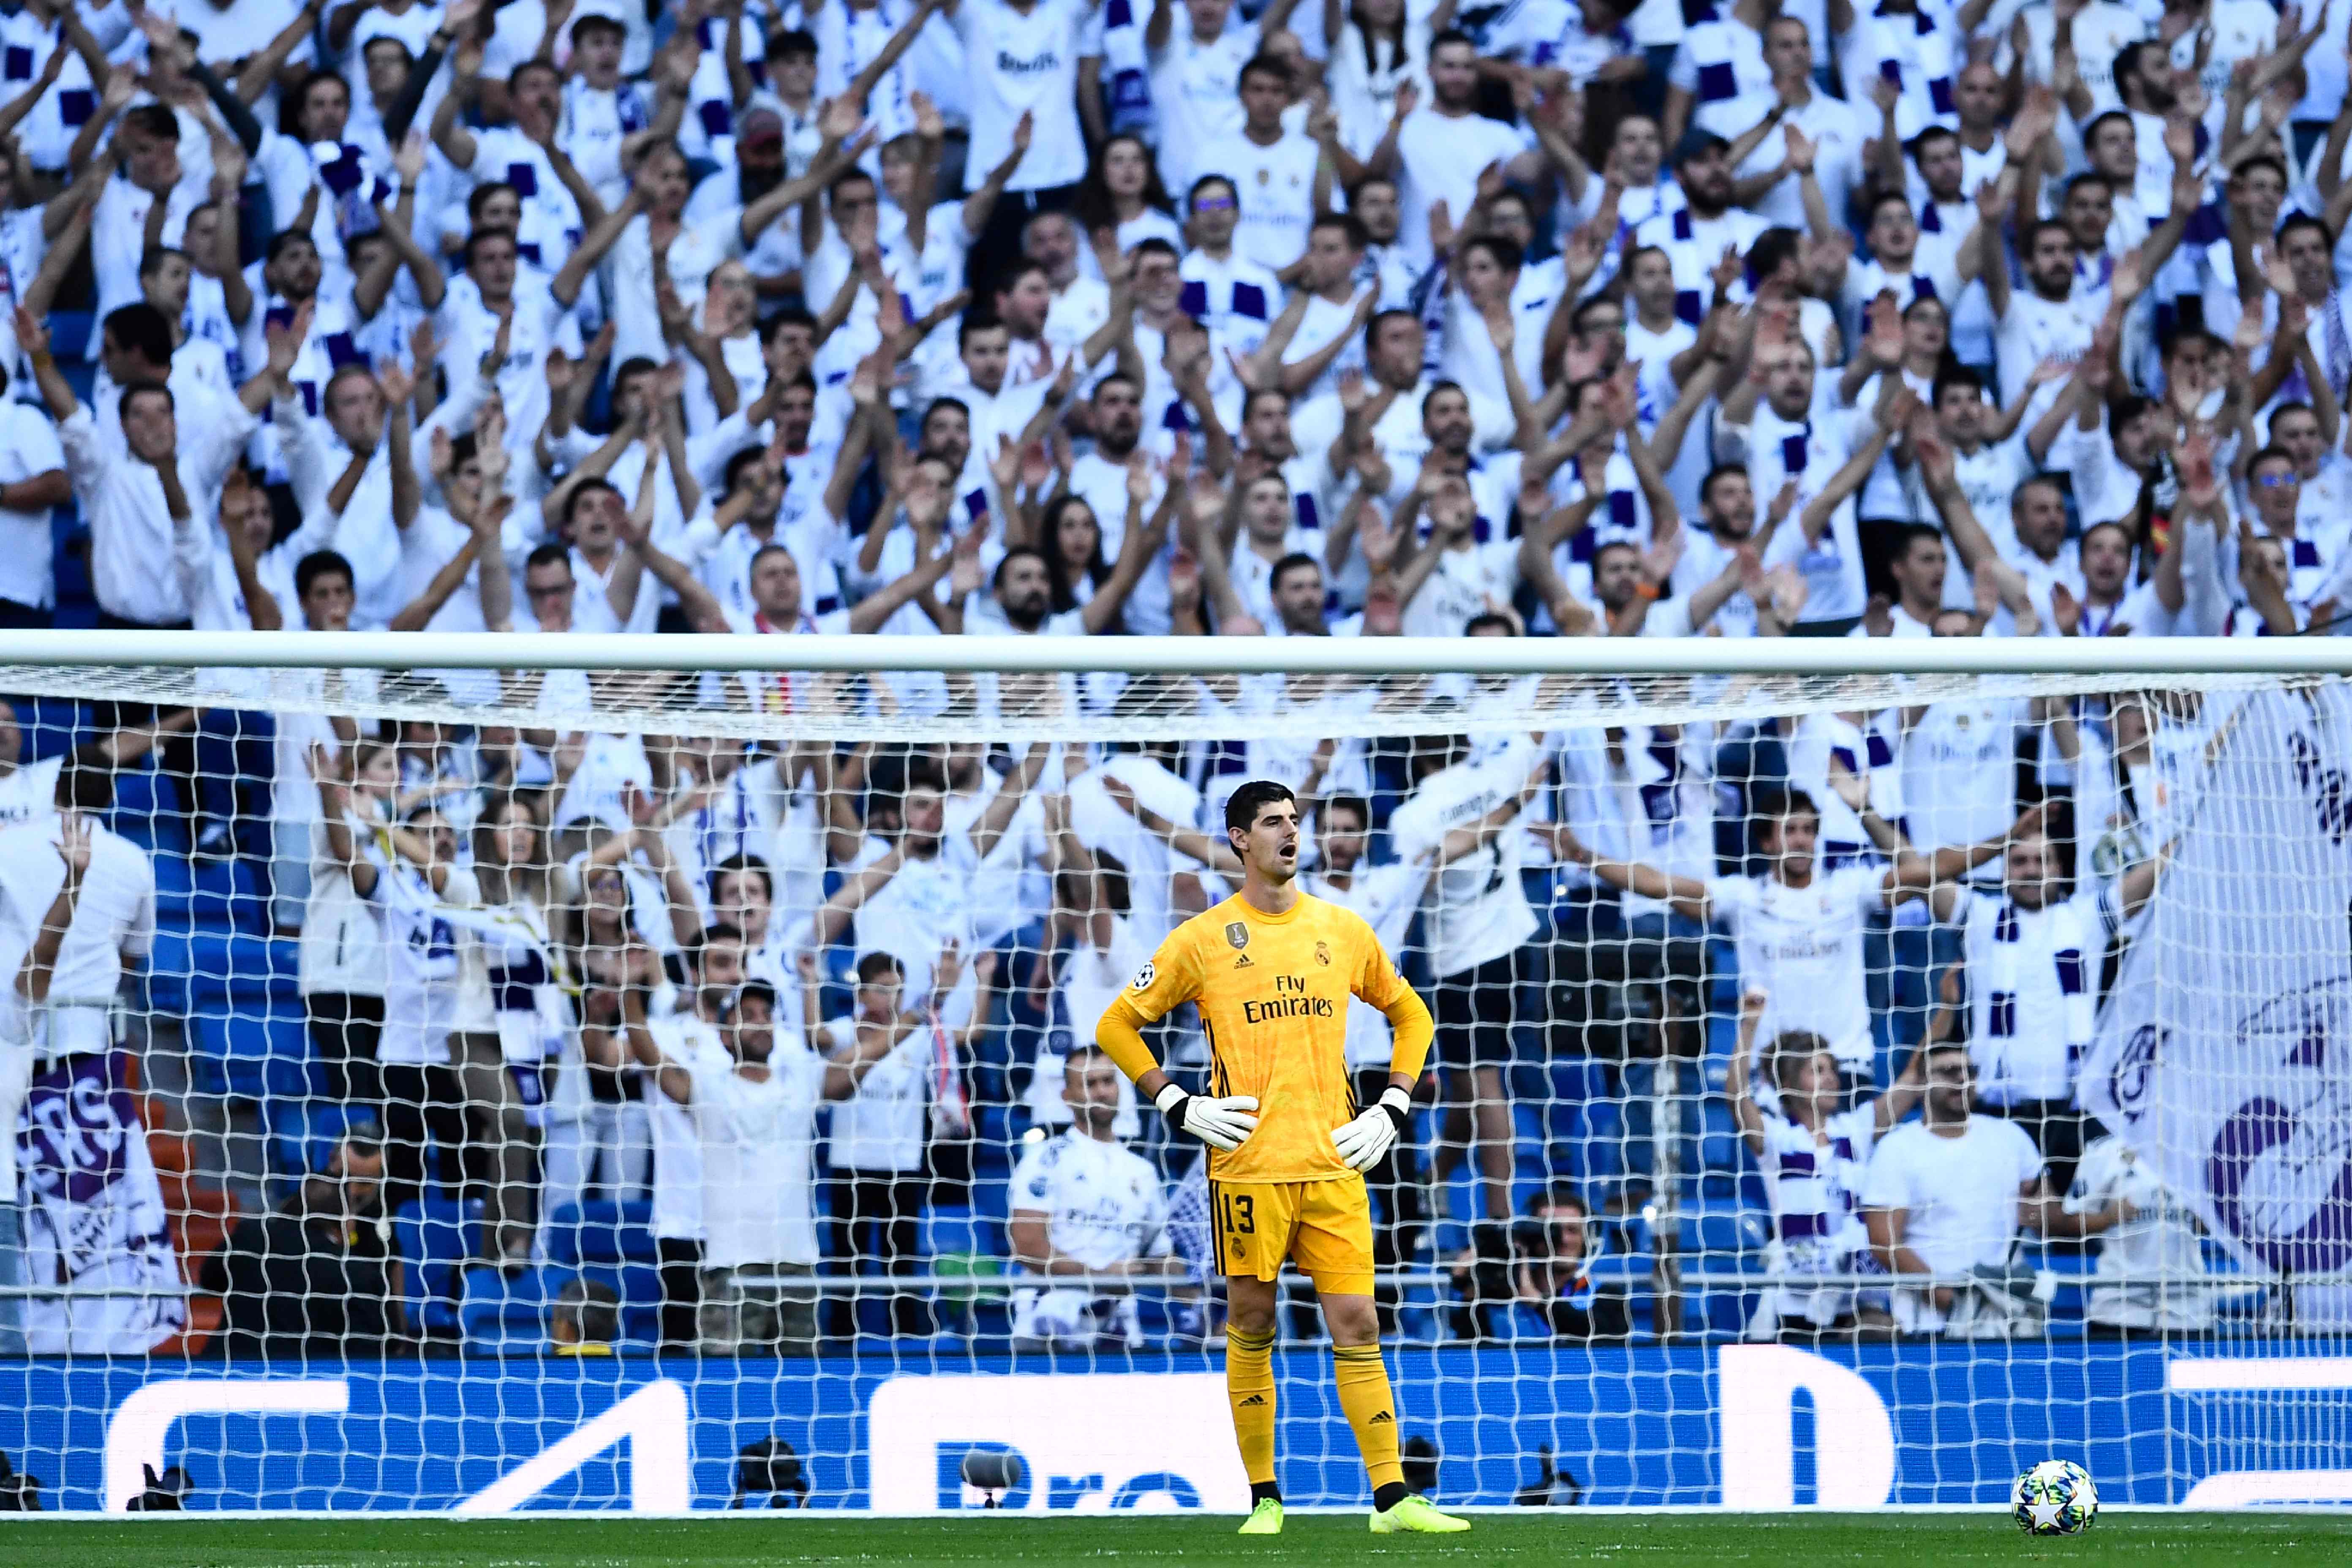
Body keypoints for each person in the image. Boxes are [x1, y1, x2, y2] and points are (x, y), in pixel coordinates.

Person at [1095, 778, 1466, 1535]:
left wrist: (1393, 1102)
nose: (1289, 833)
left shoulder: (1339, 927)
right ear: (1238, 839)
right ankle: (1264, 1496)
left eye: (1294, 821)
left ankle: (1392, 1499)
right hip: (1247, 1168)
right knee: (1252, 1322)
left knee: (1358, 1322)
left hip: (1334, 1161)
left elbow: (1411, 1012)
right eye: (1272, 823)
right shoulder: (1201, 939)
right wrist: (1175, 1102)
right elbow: (1116, 1025)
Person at [1860, 1043, 2129, 1337]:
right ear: (1923, 1081)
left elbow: (2051, 1221)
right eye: (1950, 1072)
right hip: (1929, 1323)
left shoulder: (2010, 1136)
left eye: (1970, 1071)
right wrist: (1949, 1298)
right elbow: (1884, 1242)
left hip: (2006, 1319)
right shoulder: (1895, 1149)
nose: (1963, 1080)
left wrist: (2104, 1218)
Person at [1726, 991, 1924, 1339]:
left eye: (1832, 1069)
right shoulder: (1778, 1140)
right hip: (1800, 1296)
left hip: (1858, 1289)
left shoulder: (1856, 1130)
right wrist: (1749, 1026)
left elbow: (1913, 1079)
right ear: (1788, 1084)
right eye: (1818, 1070)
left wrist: (1947, 1008)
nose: (1832, 1078)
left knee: (1882, 1334)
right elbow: (1737, 1097)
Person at [1006, 1045, 1189, 1350]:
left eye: (1108, 1081)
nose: (1102, 1092)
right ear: (1067, 1096)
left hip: (1119, 1336)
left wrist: (1202, 1302)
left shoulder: (1142, 1171)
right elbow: (1028, 1246)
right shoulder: (1045, 1159)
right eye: (1090, 1084)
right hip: (1047, 1332)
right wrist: (1100, 1277)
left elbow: (1159, 1257)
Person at [205, 1132, 403, 1361]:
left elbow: (210, 1279)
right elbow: (366, 1357)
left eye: (365, 1181)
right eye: (347, 1177)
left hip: (227, 1368)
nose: (355, 1188)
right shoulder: (357, 1278)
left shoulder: (252, 1236)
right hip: (309, 1381)